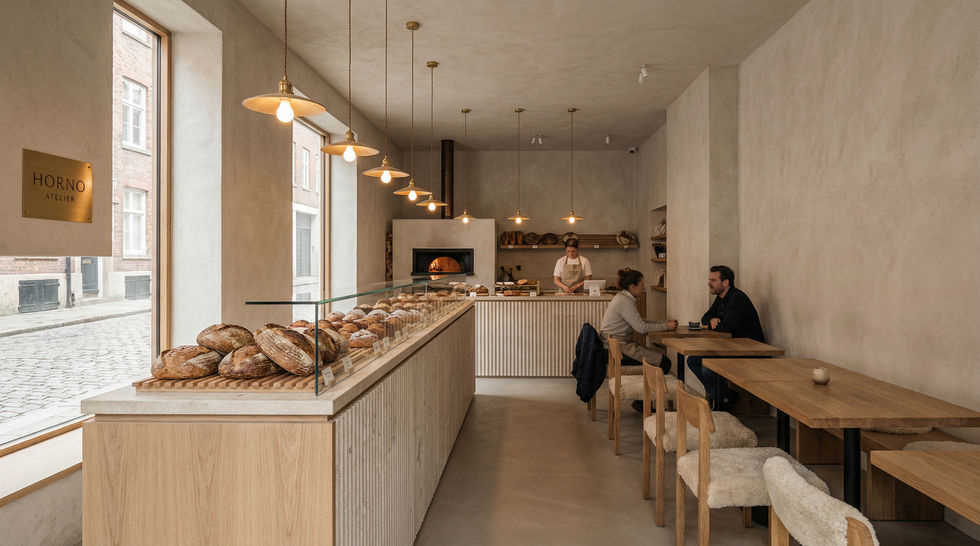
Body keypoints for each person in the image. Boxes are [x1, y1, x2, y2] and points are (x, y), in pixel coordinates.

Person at [687, 265, 765, 409]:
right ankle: (723, 396)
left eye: (713, 280)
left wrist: (712, 324)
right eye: (709, 280)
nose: (709, 283)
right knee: (693, 360)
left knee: (708, 368)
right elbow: (705, 318)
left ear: (726, 282)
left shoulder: (738, 299)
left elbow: (726, 327)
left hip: (749, 350)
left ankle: (721, 400)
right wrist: (712, 320)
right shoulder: (721, 298)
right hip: (732, 347)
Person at [600, 268, 678, 411]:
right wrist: (666, 326)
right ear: (633, 286)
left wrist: (664, 324)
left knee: (658, 359)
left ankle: (642, 400)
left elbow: (640, 321)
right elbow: (641, 328)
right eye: (641, 285)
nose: (643, 289)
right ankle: (643, 401)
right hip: (619, 349)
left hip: (612, 347)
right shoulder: (626, 301)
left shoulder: (622, 297)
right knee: (664, 362)